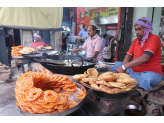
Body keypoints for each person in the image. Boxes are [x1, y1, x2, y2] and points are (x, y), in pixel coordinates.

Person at [111, 17, 162, 91]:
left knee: (146, 79)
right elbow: (128, 56)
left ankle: (127, 78)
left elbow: (145, 58)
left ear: (147, 29)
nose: (137, 32)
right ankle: (128, 78)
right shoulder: (136, 41)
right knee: (116, 65)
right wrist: (124, 69)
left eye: (139, 29)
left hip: (151, 73)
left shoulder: (154, 38)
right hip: (133, 71)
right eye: (136, 29)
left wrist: (124, 67)